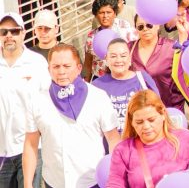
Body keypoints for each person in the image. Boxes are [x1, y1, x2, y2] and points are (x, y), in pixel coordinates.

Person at [22, 44, 120, 188]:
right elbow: (31, 144)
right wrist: (27, 183)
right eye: (56, 67)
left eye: (67, 66)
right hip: (55, 182)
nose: (61, 71)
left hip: (92, 181)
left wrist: (115, 177)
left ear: (79, 68)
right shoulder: (37, 101)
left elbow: (113, 139)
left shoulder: (98, 97)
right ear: (49, 70)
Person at [106, 90, 189, 188]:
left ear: (163, 114)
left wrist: (183, 183)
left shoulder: (186, 138)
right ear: (131, 122)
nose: (146, 126)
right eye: (139, 122)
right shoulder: (123, 149)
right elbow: (114, 184)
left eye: (151, 120)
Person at [0, 12, 49, 188]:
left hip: (31, 148)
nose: (9, 36)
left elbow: (47, 103)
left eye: (14, 31)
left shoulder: (37, 63)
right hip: (2, 152)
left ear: (23, 33)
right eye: (4, 32)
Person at [92, 39, 161, 131]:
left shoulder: (142, 79)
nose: (118, 60)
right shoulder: (97, 85)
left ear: (130, 58)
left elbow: (158, 108)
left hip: (140, 139)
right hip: (111, 142)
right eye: (113, 56)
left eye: (123, 56)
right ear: (106, 59)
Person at [130, 15, 185, 109]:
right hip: (139, 111)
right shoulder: (128, 49)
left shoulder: (171, 47)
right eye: (140, 26)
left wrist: (183, 34)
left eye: (149, 25)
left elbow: (185, 75)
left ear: (158, 25)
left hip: (169, 109)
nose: (145, 29)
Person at [84, 0, 138, 80]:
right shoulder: (92, 37)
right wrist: (85, 84)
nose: (105, 16)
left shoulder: (125, 29)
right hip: (101, 80)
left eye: (108, 12)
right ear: (96, 15)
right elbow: (87, 64)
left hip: (123, 77)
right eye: (101, 13)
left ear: (115, 13)